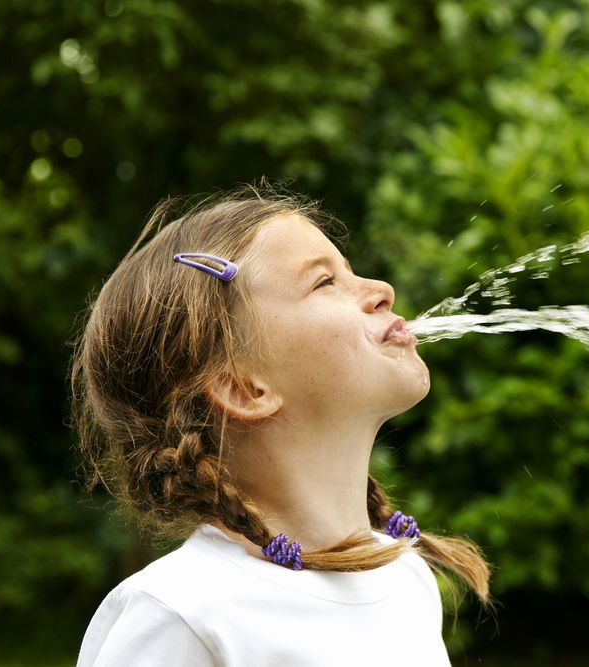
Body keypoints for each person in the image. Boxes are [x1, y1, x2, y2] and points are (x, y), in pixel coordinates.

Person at [70, 183, 491, 666]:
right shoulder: (183, 614)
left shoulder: (402, 573)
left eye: (349, 271)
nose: (381, 292)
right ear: (244, 387)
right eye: (324, 282)